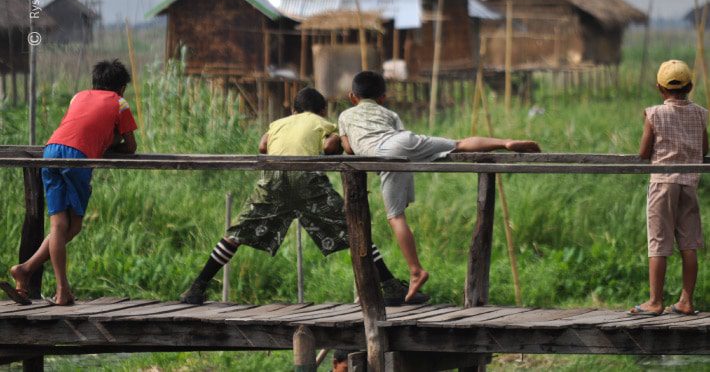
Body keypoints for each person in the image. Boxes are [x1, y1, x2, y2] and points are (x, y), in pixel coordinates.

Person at [180, 87, 427, 306]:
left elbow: (263, 146)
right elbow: (331, 145)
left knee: (236, 234)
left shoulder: (277, 123)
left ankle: (197, 286)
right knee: (354, 231)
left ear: (294, 110)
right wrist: (332, 151)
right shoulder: (322, 123)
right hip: (309, 183)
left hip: (274, 182)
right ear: (321, 110)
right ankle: (390, 286)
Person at [338, 71, 541, 302]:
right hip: (403, 140)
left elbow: (349, 149)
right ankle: (504, 142)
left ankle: (416, 271)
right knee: (459, 144)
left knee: (395, 217)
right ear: (382, 97)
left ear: (352, 96)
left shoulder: (346, 115)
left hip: (384, 152)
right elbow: (399, 137)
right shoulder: (389, 113)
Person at [5, 60, 137, 306]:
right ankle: (62, 289)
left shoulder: (78, 97)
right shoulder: (119, 103)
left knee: (60, 226)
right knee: (72, 226)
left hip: (51, 150)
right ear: (121, 88)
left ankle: (25, 269)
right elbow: (131, 147)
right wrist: (110, 141)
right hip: (78, 156)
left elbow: (80, 126)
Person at [629, 60, 707, 316]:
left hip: (662, 184)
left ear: (659, 88)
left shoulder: (654, 114)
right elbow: (704, 149)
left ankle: (655, 301)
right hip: (689, 184)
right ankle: (686, 300)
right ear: (690, 86)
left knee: (659, 242)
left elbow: (643, 152)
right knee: (689, 243)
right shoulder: (700, 113)